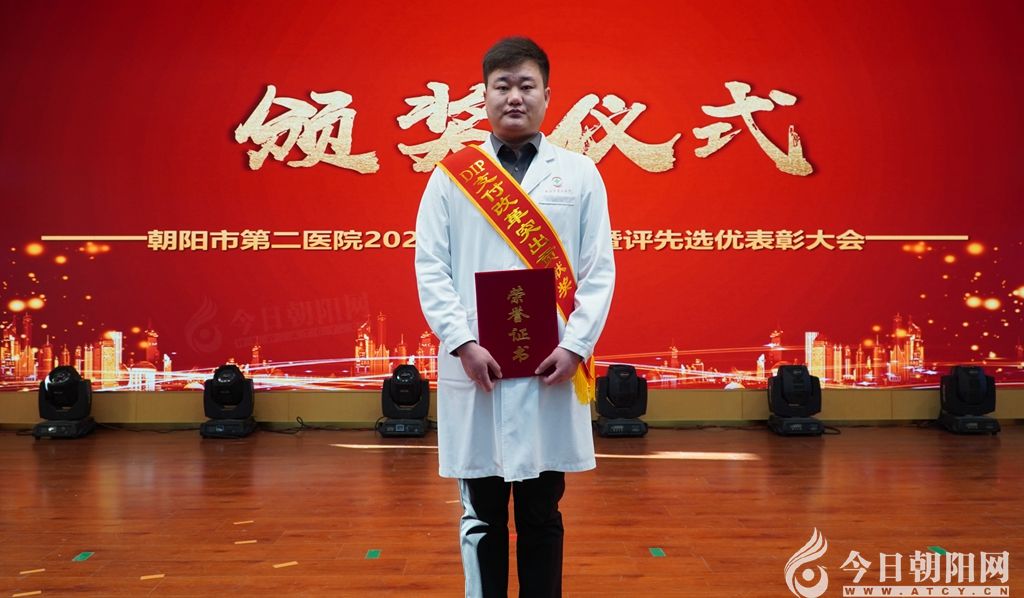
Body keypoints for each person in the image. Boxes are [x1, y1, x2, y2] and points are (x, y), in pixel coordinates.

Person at [414, 36, 615, 598]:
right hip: (478, 366)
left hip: (550, 365)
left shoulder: (579, 174)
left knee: (542, 513)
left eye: (527, 85)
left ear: (548, 96)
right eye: (502, 86)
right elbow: (430, 266)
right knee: (480, 516)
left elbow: (599, 270)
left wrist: (575, 346)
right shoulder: (452, 176)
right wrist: (462, 343)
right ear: (483, 96)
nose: (514, 97)